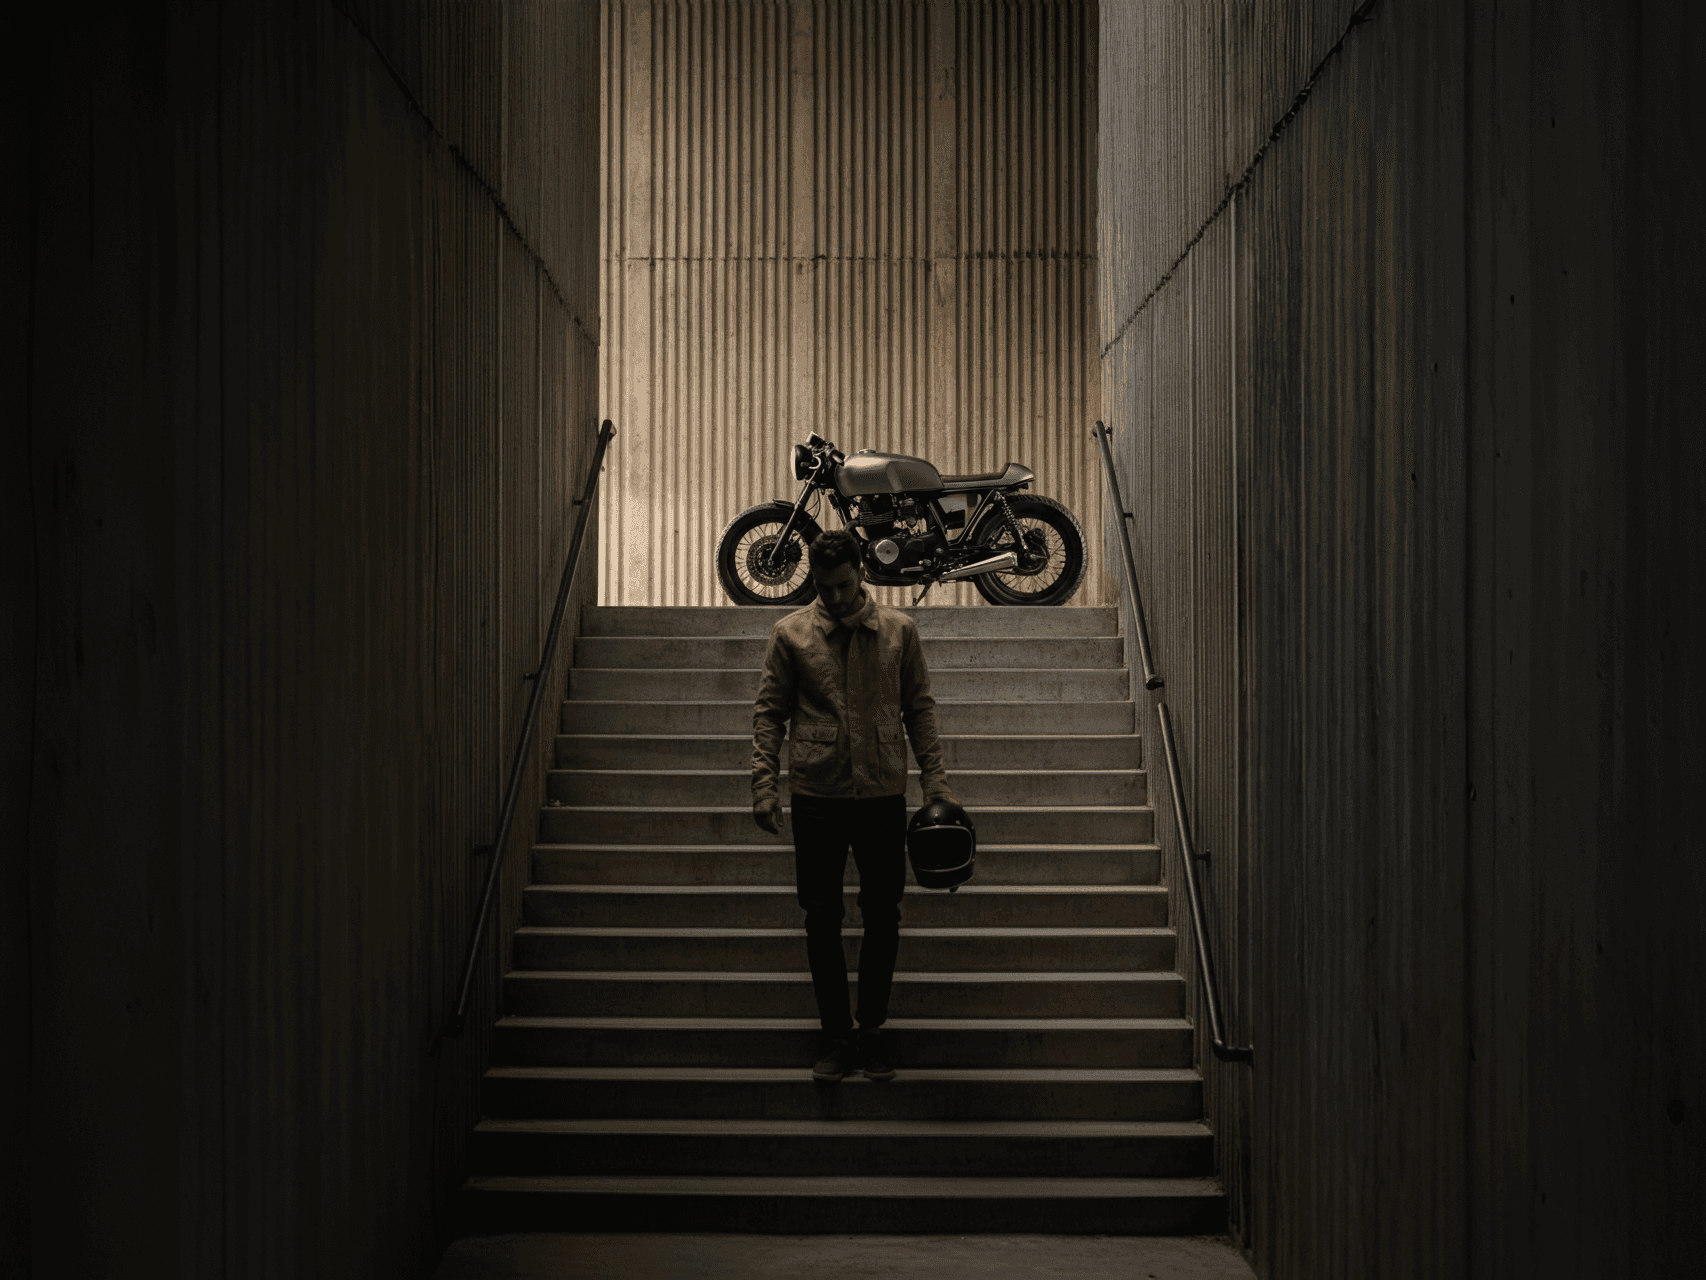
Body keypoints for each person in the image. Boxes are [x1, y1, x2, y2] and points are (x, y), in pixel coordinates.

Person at [751, 528, 956, 1083]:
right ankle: (835, 1036)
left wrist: (936, 782)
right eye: (824, 588)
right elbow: (770, 713)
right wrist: (763, 784)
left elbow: (920, 708)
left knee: (883, 915)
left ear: (860, 571)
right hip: (816, 794)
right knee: (821, 917)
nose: (837, 599)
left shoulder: (899, 632)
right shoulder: (789, 634)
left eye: (844, 586)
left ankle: (872, 1032)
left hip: (882, 793)